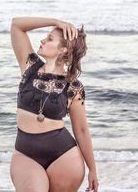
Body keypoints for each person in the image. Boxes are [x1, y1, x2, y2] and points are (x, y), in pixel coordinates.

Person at [9, 17, 99, 192]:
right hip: (25, 154)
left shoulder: (74, 87)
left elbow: (81, 130)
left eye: (50, 38)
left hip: (64, 156)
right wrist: (55, 22)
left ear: (63, 50)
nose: (42, 40)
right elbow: (16, 25)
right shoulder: (30, 66)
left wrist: (93, 170)